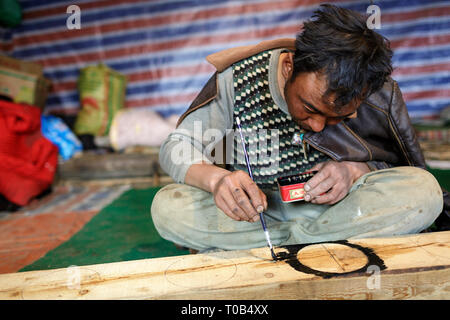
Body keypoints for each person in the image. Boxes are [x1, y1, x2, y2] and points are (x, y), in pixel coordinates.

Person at [151, 4, 447, 252]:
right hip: (258, 217)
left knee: (424, 191)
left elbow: (398, 165)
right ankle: (321, 244)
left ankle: (292, 243)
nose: (317, 126)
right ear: (289, 67)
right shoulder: (237, 78)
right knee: (167, 207)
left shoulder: (373, 91)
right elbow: (176, 146)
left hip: (339, 211)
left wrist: (355, 171)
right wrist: (216, 181)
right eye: (309, 108)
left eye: (336, 118)